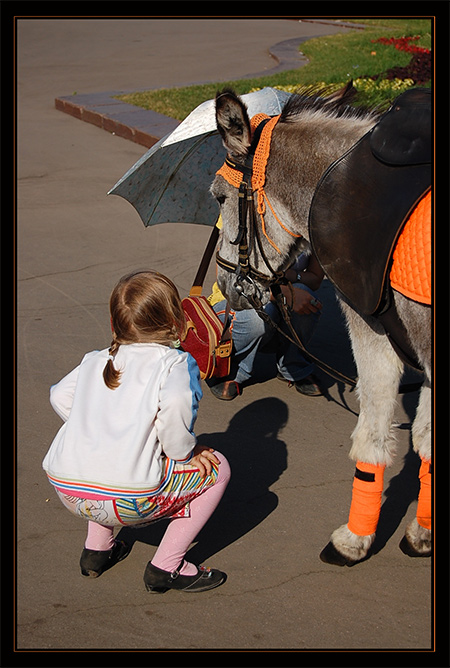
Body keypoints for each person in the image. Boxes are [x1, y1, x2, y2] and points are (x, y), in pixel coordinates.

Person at [43, 270, 231, 593]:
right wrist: (184, 453)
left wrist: (93, 427)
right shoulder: (174, 363)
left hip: (67, 488)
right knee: (220, 469)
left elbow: (58, 395)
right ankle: (166, 567)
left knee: (108, 453)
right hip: (132, 497)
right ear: (175, 319)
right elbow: (174, 408)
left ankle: (97, 549)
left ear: (115, 322)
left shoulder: (96, 359)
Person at [208, 245, 325, 401]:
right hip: (235, 299)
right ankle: (233, 368)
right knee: (257, 317)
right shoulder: (237, 219)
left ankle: (292, 364)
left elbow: (315, 279)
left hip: (280, 293)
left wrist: (288, 276)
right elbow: (230, 280)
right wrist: (283, 293)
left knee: (307, 299)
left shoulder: (316, 222)